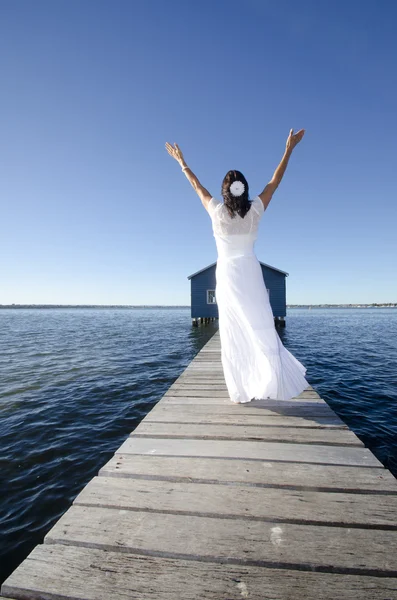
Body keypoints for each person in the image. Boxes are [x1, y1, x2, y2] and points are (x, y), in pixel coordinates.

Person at [165, 130, 309, 403]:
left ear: (224, 191)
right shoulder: (255, 211)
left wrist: (182, 162)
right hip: (251, 273)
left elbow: (197, 186)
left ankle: (241, 388)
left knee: (233, 332)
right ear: (244, 189)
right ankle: (268, 379)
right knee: (260, 325)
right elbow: (274, 182)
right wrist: (288, 149)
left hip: (228, 277)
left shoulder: (217, 212)